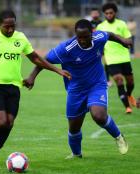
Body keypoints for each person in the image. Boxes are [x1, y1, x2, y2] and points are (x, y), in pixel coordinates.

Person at [0, 10, 71, 168]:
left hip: (14, 86)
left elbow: (35, 58)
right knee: (1, 121)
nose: (10, 30)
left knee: (8, 124)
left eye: (13, 26)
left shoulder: (20, 38)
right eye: (7, 27)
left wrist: (57, 70)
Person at [23, 19, 130, 159]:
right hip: (76, 90)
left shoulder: (99, 37)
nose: (83, 40)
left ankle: (118, 137)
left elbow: (109, 34)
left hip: (96, 85)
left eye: (85, 37)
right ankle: (76, 154)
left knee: (98, 115)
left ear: (92, 33)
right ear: (75, 35)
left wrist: (123, 41)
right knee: (74, 128)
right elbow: (44, 60)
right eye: (79, 37)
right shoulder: (66, 48)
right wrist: (32, 77)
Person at [97, 2, 136, 114]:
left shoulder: (122, 24)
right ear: (104, 14)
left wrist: (128, 42)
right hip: (111, 59)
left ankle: (129, 95)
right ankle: (127, 107)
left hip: (124, 58)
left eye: (111, 13)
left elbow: (129, 39)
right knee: (119, 81)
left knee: (130, 83)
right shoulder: (101, 27)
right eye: (107, 13)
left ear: (115, 13)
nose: (109, 15)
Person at [90, 8, 113, 87]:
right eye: (93, 13)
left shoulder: (102, 23)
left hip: (103, 46)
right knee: (94, 63)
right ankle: (93, 79)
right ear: (91, 15)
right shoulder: (89, 24)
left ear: (98, 14)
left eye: (96, 13)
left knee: (106, 63)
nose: (95, 15)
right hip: (93, 47)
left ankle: (108, 80)